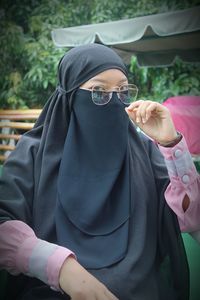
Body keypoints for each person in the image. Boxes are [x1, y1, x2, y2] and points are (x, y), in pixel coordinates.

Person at [0, 44, 199, 300]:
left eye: (123, 91)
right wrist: (62, 269)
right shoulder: (34, 153)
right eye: (98, 91)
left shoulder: (144, 153)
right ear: (70, 96)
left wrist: (171, 144)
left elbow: (190, 217)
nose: (114, 100)